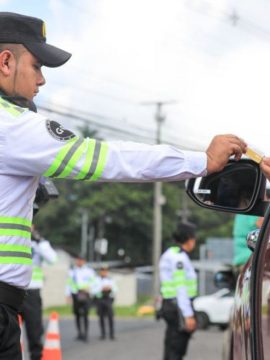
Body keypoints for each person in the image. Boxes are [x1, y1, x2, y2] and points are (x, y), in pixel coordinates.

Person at [0, 12, 247, 358]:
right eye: (37, 66)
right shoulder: (13, 126)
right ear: (6, 62)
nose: (41, 81)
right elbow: (110, 159)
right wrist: (201, 162)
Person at [159, 222, 198, 360]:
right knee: (177, 349)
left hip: (172, 305)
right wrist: (188, 314)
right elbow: (181, 287)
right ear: (189, 239)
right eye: (194, 238)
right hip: (178, 308)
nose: (195, 241)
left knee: (171, 346)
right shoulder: (178, 258)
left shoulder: (172, 254)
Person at [20, 226, 57, 360]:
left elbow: (52, 259)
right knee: (9, 331)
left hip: (32, 293)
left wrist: (38, 239)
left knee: (34, 331)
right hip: (12, 290)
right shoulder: (14, 239)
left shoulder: (38, 245)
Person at [65, 255, 96, 342]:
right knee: (77, 314)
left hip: (85, 294)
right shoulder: (72, 271)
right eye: (78, 260)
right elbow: (68, 283)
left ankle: (86, 334)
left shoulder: (89, 271)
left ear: (84, 261)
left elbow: (94, 282)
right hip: (76, 294)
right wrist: (67, 295)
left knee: (86, 314)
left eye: (81, 260)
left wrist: (89, 289)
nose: (79, 262)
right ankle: (79, 333)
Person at [94, 265, 117, 340]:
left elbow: (116, 289)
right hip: (100, 299)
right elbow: (93, 290)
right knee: (101, 317)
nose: (104, 272)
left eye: (105, 271)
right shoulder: (96, 279)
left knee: (110, 316)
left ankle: (111, 334)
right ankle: (103, 334)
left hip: (108, 299)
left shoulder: (110, 280)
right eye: (102, 270)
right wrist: (101, 288)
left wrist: (109, 288)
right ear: (100, 271)